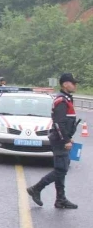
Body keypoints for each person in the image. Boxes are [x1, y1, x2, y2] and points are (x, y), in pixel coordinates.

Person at [27, 73, 80, 209]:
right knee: (61, 169)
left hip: (61, 138)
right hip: (60, 140)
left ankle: (60, 199)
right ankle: (36, 188)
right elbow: (58, 123)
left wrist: (69, 136)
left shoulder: (66, 99)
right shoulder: (61, 101)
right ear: (65, 84)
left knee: (61, 168)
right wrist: (66, 140)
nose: (75, 85)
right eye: (73, 83)